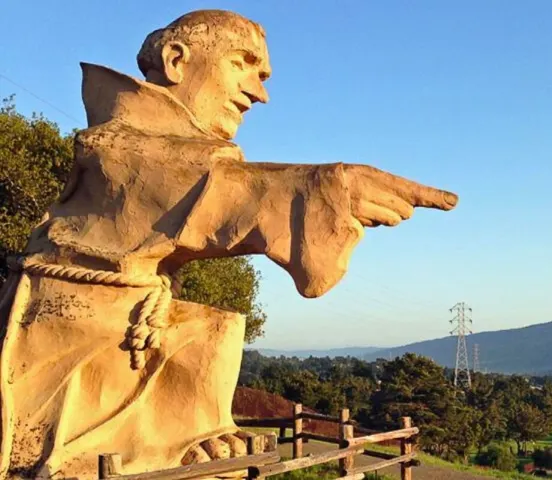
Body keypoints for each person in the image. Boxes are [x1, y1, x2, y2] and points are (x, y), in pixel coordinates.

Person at [0, 9, 457, 479]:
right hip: (69, 344)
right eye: (244, 64)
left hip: (129, 322)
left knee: (212, 326)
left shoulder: (171, 148)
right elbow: (214, 189)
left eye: (263, 77)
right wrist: (333, 188)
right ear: (176, 60)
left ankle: (187, 433)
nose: (259, 94)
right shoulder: (116, 147)